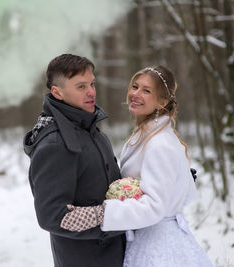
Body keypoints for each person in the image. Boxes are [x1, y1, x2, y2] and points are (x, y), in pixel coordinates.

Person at [60, 66, 213, 266]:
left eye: (146, 91)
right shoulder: (144, 137)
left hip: (158, 246)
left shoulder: (159, 144)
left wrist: (101, 214)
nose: (135, 94)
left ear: (163, 102)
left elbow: (155, 206)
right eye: (135, 86)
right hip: (145, 235)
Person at [23, 54, 125, 267]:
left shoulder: (93, 132)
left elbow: (110, 186)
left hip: (116, 255)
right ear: (57, 92)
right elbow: (53, 215)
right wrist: (111, 215)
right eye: (81, 86)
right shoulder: (55, 144)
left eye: (92, 84)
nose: (91, 92)